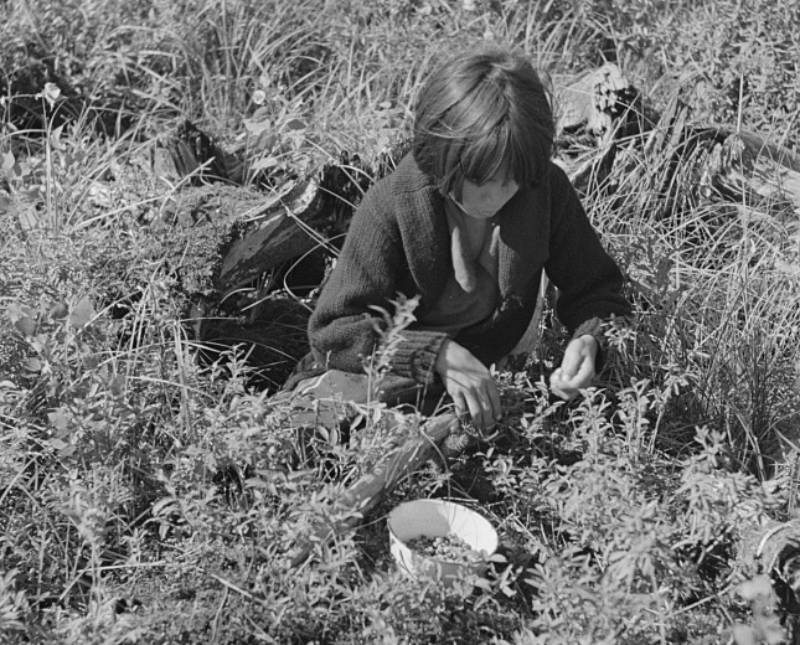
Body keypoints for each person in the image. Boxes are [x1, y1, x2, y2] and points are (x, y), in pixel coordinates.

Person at [283, 45, 630, 433]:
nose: (495, 196)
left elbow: (598, 291)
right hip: (369, 378)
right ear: (442, 160)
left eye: (511, 178)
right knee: (317, 435)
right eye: (480, 180)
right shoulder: (392, 205)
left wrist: (590, 342)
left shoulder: (543, 190)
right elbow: (333, 331)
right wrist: (436, 355)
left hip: (474, 385)